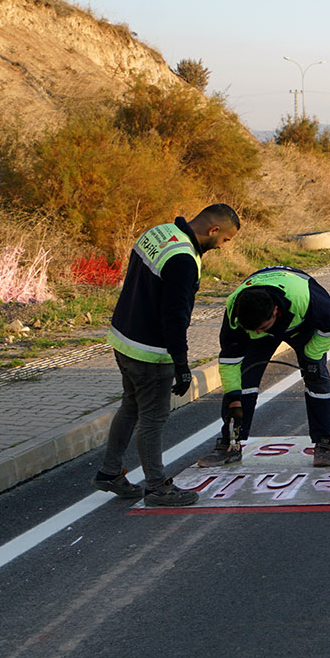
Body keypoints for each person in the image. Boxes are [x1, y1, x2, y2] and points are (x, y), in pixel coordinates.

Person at [97, 203, 241, 506]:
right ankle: (156, 487)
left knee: (131, 406)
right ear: (213, 230)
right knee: (152, 418)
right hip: (149, 351)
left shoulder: (159, 232)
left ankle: (110, 473)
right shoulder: (184, 260)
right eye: (225, 240)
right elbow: (175, 317)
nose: (223, 246)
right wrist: (181, 364)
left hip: (123, 337)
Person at [203, 266, 330, 468]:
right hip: (263, 314)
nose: (258, 332)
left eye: (262, 327)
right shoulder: (235, 315)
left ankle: (324, 443)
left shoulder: (310, 301)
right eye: (253, 329)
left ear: (276, 311)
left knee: (316, 379)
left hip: (300, 325)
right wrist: (233, 398)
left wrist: (312, 358)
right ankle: (230, 444)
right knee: (243, 383)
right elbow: (229, 362)